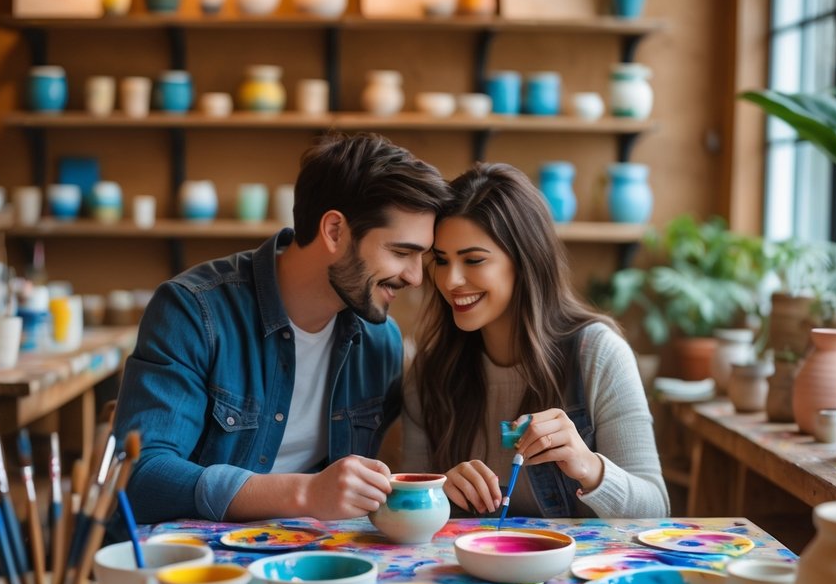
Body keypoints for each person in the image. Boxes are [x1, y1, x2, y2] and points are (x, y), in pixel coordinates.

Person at [115, 132, 452, 524]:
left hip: (317, 564)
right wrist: (306, 493)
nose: (415, 276)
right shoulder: (194, 311)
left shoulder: (380, 341)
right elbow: (138, 476)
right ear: (334, 231)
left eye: (422, 257)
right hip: (199, 572)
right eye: (400, 252)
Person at [403, 162, 668, 518]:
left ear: (525, 261)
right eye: (441, 260)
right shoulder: (429, 371)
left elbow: (656, 510)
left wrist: (589, 467)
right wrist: (440, 492)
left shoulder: (598, 354)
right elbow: (410, 512)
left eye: (474, 260)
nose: (450, 281)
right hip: (472, 569)